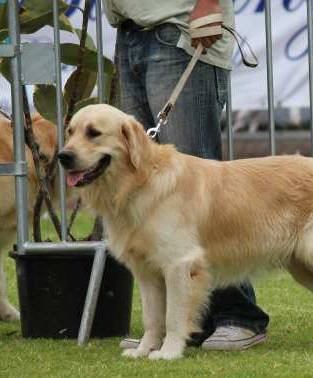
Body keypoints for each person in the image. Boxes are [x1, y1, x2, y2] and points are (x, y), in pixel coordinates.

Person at [102, 0, 269, 350]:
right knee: (145, 185)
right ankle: (166, 331)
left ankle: (238, 316)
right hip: (129, 31)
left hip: (180, 32)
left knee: (201, 184)